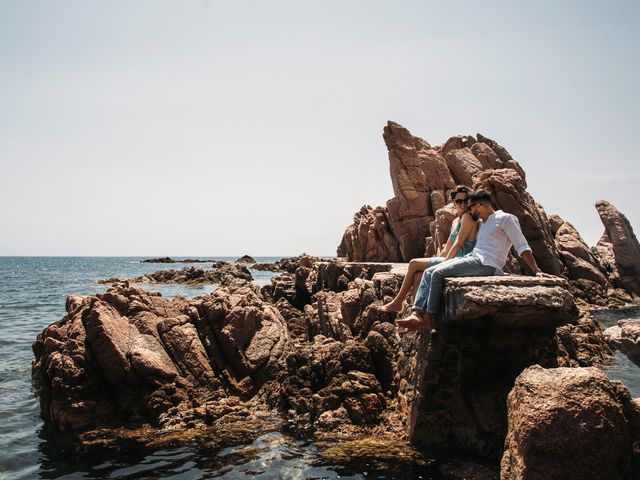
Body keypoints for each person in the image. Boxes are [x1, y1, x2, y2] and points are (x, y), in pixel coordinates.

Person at [397, 188, 552, 332]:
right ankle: (416, 313)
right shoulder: (484, 223)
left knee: (438, 273)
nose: (469, 210)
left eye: (470, 207)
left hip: (487, 263)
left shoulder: (505, 219)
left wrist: (536, 271)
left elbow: (522, 245)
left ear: (479, 205)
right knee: (429, 272)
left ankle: (428, 319)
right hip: (473, 258)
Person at [379, 185, 479, 313]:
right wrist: (438, 258)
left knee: (413, 263)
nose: (463, 204)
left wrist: (445, 261)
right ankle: (416, 315)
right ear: (453, 202)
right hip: (451, 259)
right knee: (417, 276)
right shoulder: (455, 222)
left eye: (466, 200)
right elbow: (448, 246)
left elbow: (459, 244)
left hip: (460, 261)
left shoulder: (468, 217)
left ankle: (397, 302)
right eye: (459, 201)